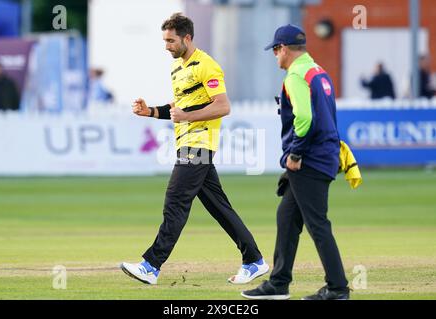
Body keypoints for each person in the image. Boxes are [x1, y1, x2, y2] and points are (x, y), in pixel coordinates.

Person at [120, 13, 268, 285]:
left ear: (187, 38)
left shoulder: (206, 65)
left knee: (175, 202)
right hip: (187, 143)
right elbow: (179, 109)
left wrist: (188, 117)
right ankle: (254, 260)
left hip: (198, 145)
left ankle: (151, 266)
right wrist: (150, 111)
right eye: (165, 40)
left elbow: (223, 106)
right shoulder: (177, 68)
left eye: (171, 40)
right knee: (219, 208)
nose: (166, 46)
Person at [242, 24, 350, 300]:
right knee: (287, 218)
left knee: (317, 224)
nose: (275, 55)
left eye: (275, 50)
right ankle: (279, 283)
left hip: (308, 160)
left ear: (284, 49)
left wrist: (295, 154)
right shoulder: (318, 72)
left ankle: (337, 288)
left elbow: (304, 118)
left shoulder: (295, 75)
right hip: (324, 155)